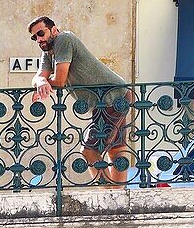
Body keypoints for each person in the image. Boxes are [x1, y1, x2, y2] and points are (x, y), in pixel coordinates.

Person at [29, 16, 133, 187]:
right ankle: (119, 194)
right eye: (35, 37)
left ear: (54, 30)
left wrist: (45, 83)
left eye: (41, 33)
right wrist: (40, 82)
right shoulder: (48, 51)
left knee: (89, 150)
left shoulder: (64, 39)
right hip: (108, 99)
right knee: (116, 150)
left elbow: (60, 80)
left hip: (112, 97)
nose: (39, 39)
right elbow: (40, 76)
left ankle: (111, 196)